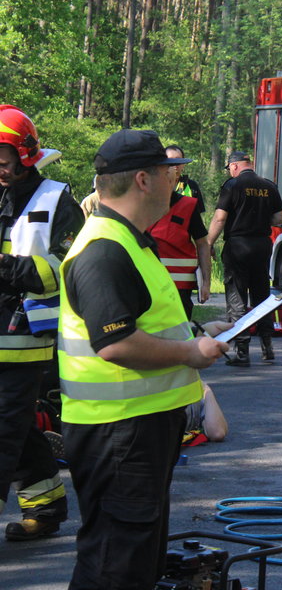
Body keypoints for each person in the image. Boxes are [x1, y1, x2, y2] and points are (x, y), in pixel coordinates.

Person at [58, 128, 231, 588]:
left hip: (135, 429)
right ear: (142, 179)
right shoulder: (104, 250)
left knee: (135, 562)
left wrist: (197, 331)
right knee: (115, 566)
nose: (176, 181)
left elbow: (143, 323)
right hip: (118, 433)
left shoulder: (129, 240)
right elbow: (114, 343)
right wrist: (190, 352)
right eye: (168, 172)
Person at [0, 105, 81, 541]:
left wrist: (8, 268)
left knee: (2, 429)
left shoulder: (56, 199)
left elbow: (69, 267)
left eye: (3, 157)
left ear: (25, 154)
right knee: (17, 430)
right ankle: (46, 508)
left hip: (24, 339)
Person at [207, 151, 282, 366]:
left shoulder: (232, 186)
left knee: (237, 297)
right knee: (261, 296)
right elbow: (280, 217)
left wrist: (208, 244)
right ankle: (267, 348)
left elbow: (220, 218)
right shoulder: (269, 186)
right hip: (262, 245)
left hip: (238, 246)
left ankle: (242, 352)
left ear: (233, 167)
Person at [147, 155, 211, 320]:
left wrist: (206, 282)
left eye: (171, 180)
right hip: (147, 284)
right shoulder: (140, 205)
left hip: (180, 287)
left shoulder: (188, 206)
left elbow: (203, 244)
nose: (167, 184)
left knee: (181, 335)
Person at [166, 145, 205, 213]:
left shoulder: (191, 186)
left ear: (183, 164)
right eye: (171, 160)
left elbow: (198, 215)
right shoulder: (156, 186)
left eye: (178, 160)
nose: (175, 164)